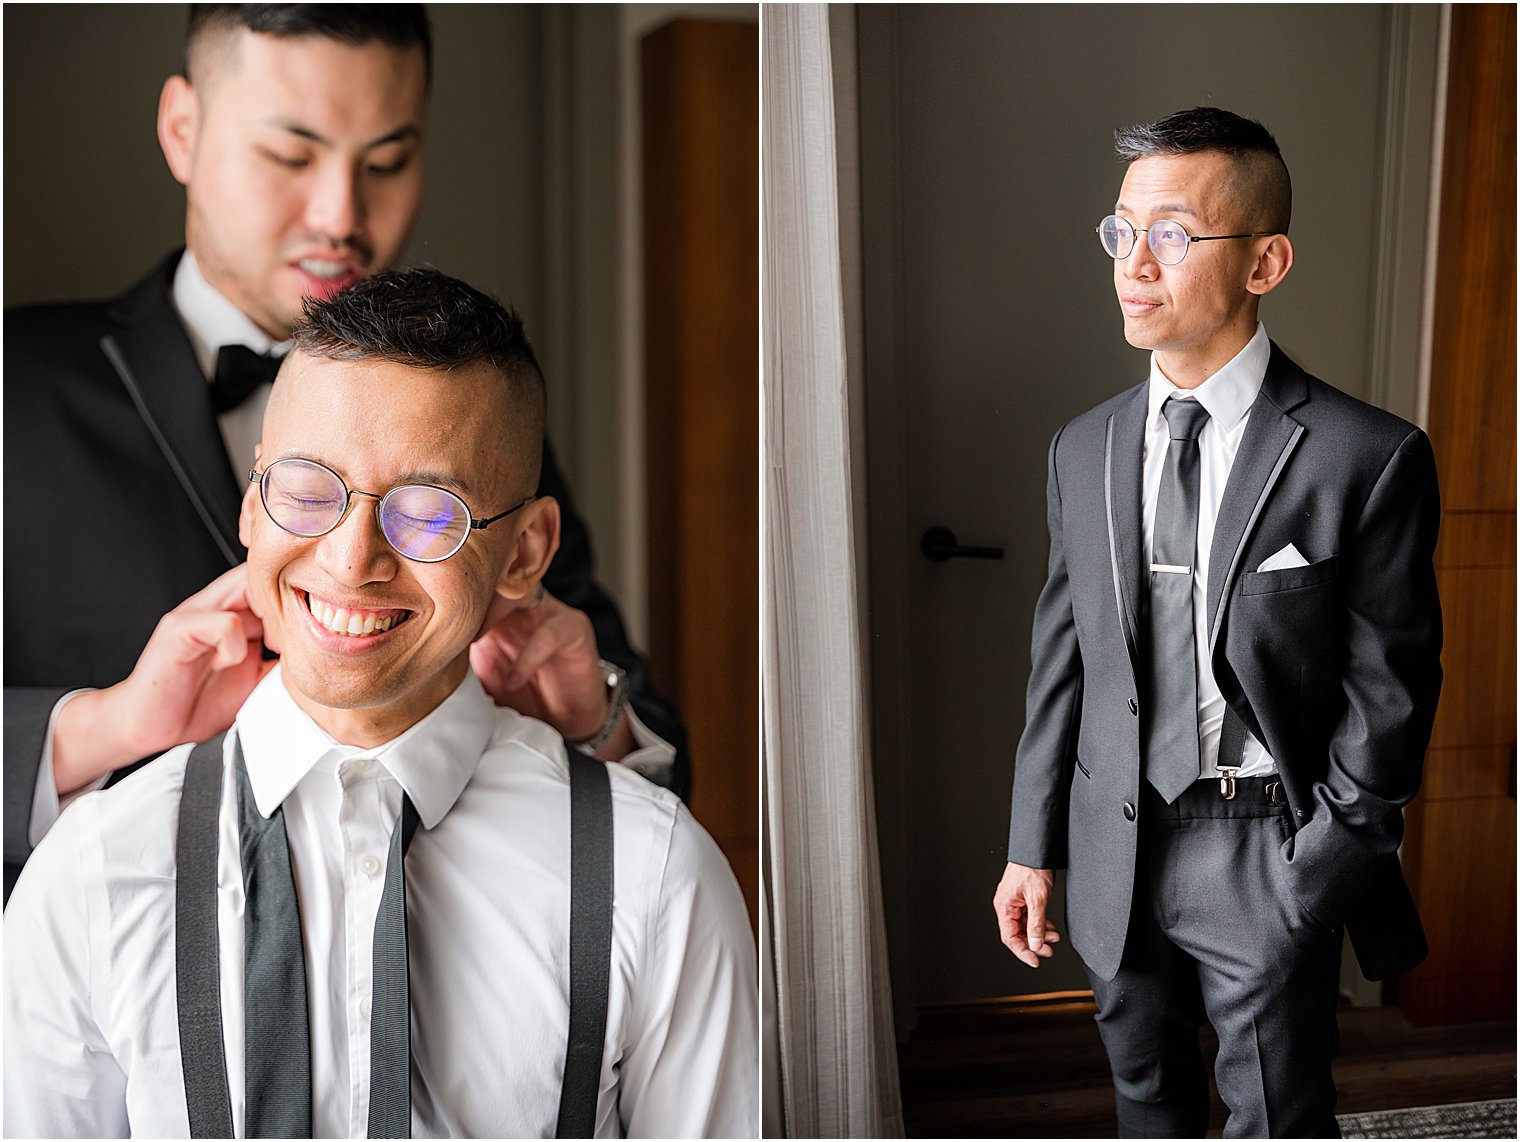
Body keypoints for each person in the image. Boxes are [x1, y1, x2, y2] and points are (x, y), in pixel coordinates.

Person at [4, 268, 758, 1138]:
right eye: (307, 488)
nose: (352, 559)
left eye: (428, 510)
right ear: (254, 503)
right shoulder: (94, 872)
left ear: (526, 551)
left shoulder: (655, 876)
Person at [3, 5, 688, 901]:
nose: (341, 214)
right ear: (183, 130)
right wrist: (105, 726)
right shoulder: (14, 388)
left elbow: (658, 768)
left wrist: (591, 725)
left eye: (388, 162)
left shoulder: (478, 424)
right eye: (292, 155)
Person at [991, 107, 1442, 1137]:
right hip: (1115, 842)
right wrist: (1030, 844)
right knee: (1146, 1102)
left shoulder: (1361, 455)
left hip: (1261, 844)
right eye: (1120, 230)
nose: (1132, 264)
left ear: (1263, 261)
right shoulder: (1082, 446)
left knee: (1276, 1116)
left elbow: (1391, 691)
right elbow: (1061, 659)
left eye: (1172, 234)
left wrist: (1317, 866)